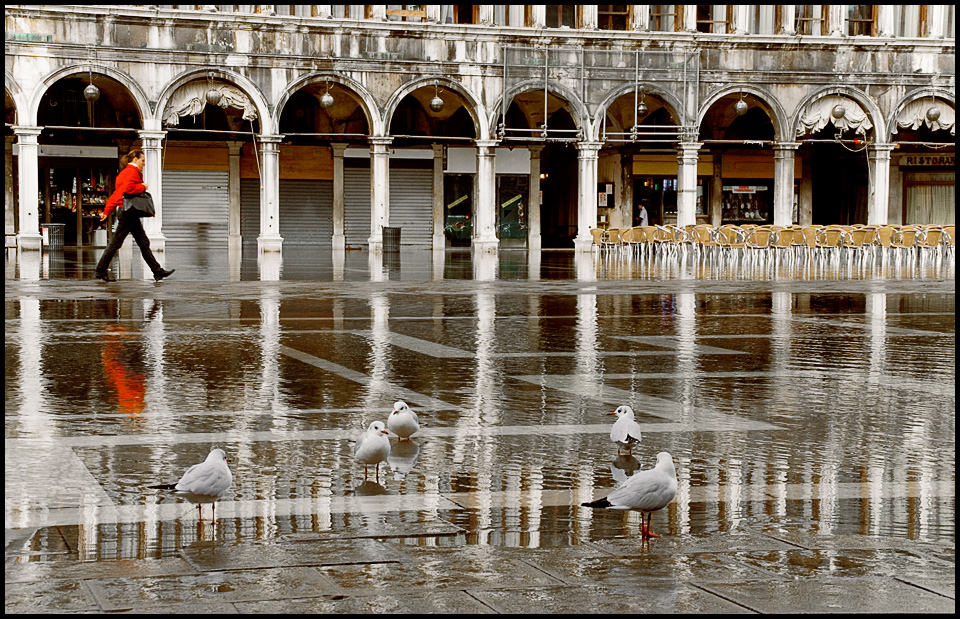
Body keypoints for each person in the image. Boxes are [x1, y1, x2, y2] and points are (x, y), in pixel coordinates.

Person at [94, 149, 174, 282]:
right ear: (135, 159)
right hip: (129, 212)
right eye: (143, 160)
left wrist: (107, 211)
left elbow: (117, 194)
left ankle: (158, 272)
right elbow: (129, 189)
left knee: (143, 242)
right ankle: (100, 271)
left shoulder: (123, 173)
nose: (144, 164)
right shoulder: (132, 172)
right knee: (116, 243)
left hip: (127, 211)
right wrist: (143, 186)